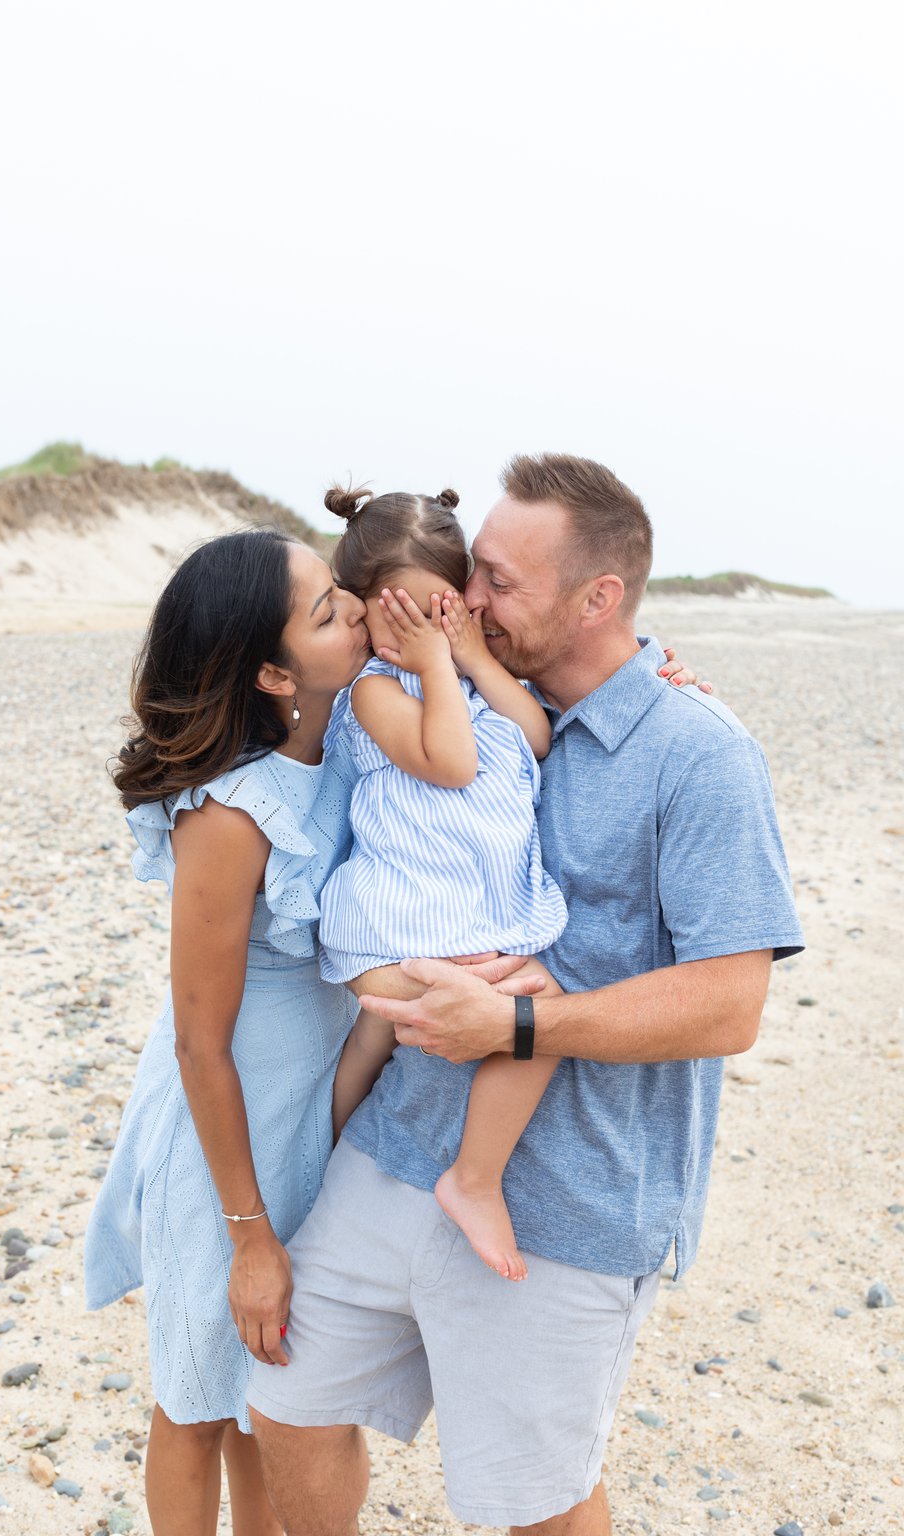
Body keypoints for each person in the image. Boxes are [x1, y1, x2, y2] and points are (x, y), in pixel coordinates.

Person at [246, 453, 805, 1536]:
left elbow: (730, 1006)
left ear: (597, 599)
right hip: (396, 1146)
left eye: (498, 582)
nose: (469, 598)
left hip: (564, 1206)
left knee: (534, 1503)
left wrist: (514, 1023)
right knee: (289, 1406)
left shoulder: (699, 755)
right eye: (474, 570)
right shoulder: (476, 683)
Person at [83, 528, 371, 1536]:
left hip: (311, 1116)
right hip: (225, 1139)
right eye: (328, 610)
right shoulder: (230, 814)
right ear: (272, 673)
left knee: (271, 1394)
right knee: (197, 1399)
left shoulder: (354, 737)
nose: (356, 609)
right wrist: (249, 1236)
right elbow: (198, 1042)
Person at [319, 483, 569, 1282]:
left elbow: (535, 737)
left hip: (466, 919)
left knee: (527, 1017)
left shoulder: (472, 683)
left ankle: (465, 1174)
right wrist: (432, 663)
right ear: (362, 610)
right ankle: (326, 1166)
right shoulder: (374, 690)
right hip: (392, 923)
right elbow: (452, 762)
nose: (424, 630)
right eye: (402, 614)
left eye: (439, 610)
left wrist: (470, 660)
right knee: (501, 1013)